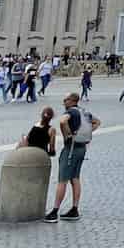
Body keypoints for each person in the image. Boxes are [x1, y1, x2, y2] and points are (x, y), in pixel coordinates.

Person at [45, 93, 99, 221]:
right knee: (75, 178)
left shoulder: (71, 112)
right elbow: (97, 122)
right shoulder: (84, 111)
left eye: (66, 100)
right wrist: (85, 134)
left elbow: (63, 121)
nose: (63, 102)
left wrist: (68, 134)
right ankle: (74, 209)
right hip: (81, 148)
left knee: (62, 179)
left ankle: (54, 211)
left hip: (71, 148)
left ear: (73, 100)